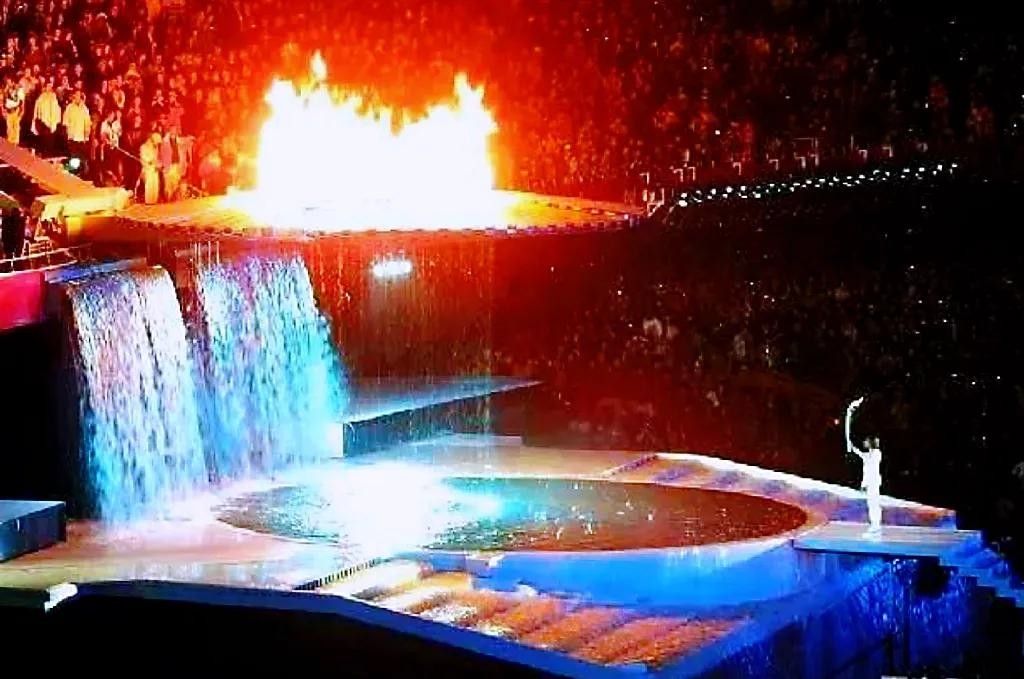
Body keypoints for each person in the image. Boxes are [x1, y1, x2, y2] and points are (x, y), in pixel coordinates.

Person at [845, 396, 883, 535]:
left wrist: (865, 483)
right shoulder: (868, 455)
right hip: (870, 483)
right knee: (871, 503)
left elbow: (870, 470)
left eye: (867, 441)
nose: (864, 442)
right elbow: (856, 450)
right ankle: (875, 525)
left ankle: (876, 525)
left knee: (874, 503)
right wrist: (849, 414)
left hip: (873, 482)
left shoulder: (876, 454)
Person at [32, 79, 61, 155]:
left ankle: (48, 153)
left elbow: (57, 110)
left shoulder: (54, 97)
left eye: (50, 86)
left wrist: (56, 121)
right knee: (43, 139)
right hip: (43, 122)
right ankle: (43, 153)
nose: (49, 88)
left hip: (51, 122)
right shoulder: (41, 97)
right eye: (48, 86)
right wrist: (36, 119)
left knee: (50, 140)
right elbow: (37, 108)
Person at [139, 132, 162, 204]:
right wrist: (150, 161)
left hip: (154, 168)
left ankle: (154, 200)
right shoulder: (143, 147)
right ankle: (149, 201)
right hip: (148, 168)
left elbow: (156, 157)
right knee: (149, 184)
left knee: (155, 184)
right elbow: (143, 157)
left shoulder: (155, 148)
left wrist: (158, 164)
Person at [3, 76, 25, 144]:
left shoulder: (18, 89)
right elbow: (4, 101)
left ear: (13, 82)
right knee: (9, 127)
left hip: (16, 110)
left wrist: (22, 109)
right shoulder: (6, 90)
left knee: (16, 127)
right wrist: (3, 110)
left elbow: (21, 100)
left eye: (9, 82)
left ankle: (15, 143)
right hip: (8, 110)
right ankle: (10, 142)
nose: (8, 84)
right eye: (7, 82)